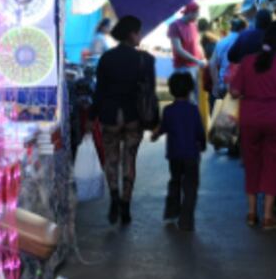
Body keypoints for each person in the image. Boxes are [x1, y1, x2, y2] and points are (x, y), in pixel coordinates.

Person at [229, 22, 276, 231]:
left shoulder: (247, 62)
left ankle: (252, 213)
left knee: (252, 163)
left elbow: (234, 93)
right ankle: (268, 216)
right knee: (274, 165)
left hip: (250, 119)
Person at [92, 15, 156, 225]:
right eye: (138, 31)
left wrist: (92, 116)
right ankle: (126, 207)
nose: (140, 36)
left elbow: (99, 91)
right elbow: (150, 92)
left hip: (110, 115)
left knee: (111, 158)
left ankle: (114, 199)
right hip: (133, 116)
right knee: (130, 159)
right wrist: (154, 120)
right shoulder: (145, 59)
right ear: (132, 34)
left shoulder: (106, 58)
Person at [151, 72, 206, 232]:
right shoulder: (193, 110)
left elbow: (163, 128)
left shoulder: (168, 110)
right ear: (190, 90)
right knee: (190, 187)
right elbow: (199, 132)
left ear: (171, 90)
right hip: (191, 155)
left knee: (175, 181)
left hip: (174, 155)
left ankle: (171, 213)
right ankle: (186, 220)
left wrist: (155, 135)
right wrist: (202, 144)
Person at [209, 16, 247, 99]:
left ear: (231, 28)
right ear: (243, 29)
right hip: (243, 86)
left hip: (225, 85)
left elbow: (212, 64)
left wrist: (216, 84)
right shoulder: (246, 40)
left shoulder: (221, 42)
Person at [168, 1, 205, 75]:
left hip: (195, 66)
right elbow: (178, 49)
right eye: (197, 13)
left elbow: (197, 44)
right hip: (182, 67)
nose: (198, 15)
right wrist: (196, 60)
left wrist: (203, 57)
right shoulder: (175, 25)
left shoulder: (194, 25)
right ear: (190, 12)